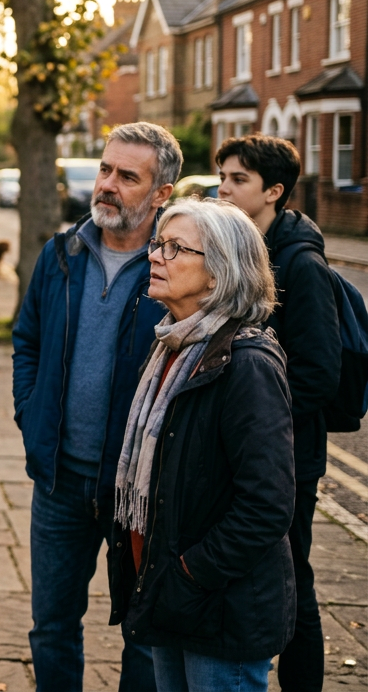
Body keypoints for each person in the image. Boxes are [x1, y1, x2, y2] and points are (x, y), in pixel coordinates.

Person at [13, 122, 183, 692]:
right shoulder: (61, 254)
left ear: (161, 194)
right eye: (105, 169)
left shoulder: (179, 268)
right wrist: (29, 413)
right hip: (59, 479)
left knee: (145, 634)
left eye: (127, 177)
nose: (107, 184)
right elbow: (27, 341)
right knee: (52, 625)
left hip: (141, 490)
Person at [108, 198, 296, 692]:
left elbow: (267, 505)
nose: (155, 256)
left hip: (218, 608)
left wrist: (191, 573)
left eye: (175, 249)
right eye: (158, 244)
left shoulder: (246, 363)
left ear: (218, 273)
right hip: (170, 594)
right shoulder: (173, 345)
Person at [215, 135, 337, 692]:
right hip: (245, 451)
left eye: (238, 179)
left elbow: (317, 373)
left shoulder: (301, 264)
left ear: (274, 191)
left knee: (293, 583)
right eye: (223, 176)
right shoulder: (239, 249)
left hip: (287, 457)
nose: (223, 187)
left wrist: (265, 427)